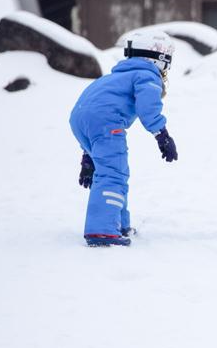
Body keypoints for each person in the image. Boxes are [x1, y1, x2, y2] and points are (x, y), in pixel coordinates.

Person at [69, 29, 178, 247]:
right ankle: (102, 231)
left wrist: (88, 156)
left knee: (113, 171)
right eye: (166, 62)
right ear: (157, 58)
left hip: (80, 120)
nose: (166, 70)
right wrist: (161, 135)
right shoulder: (147, 75)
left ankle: (118, 223)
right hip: (107, 122)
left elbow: (91, 112)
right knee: (114, 174)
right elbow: (148, 107)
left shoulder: (114, 77)